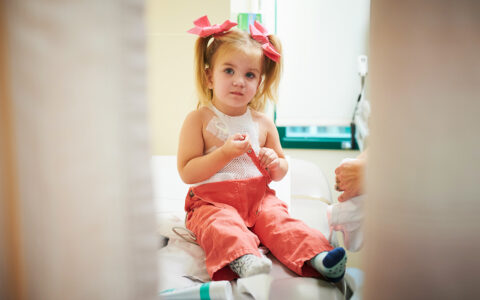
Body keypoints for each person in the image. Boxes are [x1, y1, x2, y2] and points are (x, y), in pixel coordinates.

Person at [177, 15, 347, 282]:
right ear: (210, 76)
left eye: (249, 74)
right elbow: (187, 171)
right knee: (220, 226)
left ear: (259, 83)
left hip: (258, 199)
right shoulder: (199, 119)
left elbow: (280, 169)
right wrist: (224, 154)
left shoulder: (263, 123)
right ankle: (243, 258)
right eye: (229, 71)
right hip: (212, 201)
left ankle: (317, 255)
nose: (239, 81)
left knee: (280, 222)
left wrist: (275, 163)